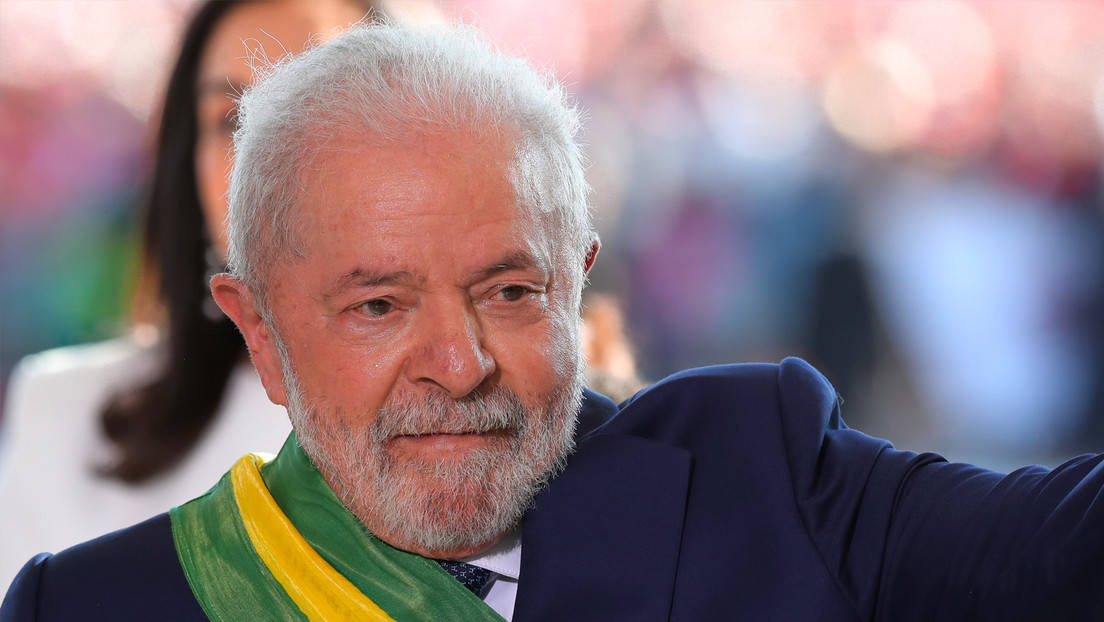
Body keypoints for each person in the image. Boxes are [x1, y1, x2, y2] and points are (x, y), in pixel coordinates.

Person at [5, 21, 1104, 622]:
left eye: (510, 292)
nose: (458, 363)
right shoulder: (96, 607)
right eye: (378, 305)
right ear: (260, 332)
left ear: (576, 286)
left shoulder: (763, 472)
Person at [0, 0, 368, 590]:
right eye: (230, 119)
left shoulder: (497, 416)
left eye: (317, 110)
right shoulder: (63, 418)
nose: (264, 158)